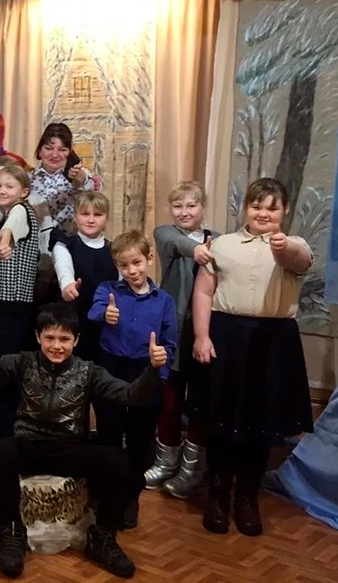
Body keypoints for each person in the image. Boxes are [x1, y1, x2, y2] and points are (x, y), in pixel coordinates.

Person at [0, 303, 166, 579]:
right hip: (30, 446)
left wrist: (152, 369)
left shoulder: (88, 371)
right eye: (49, 338)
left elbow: (132, 395)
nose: (56, 346)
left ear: (76, 340)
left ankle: (102, 537)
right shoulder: (24, 362)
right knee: (2, 449)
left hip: (69, 449)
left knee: (117, 459)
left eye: (64, 339)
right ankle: (13, 531)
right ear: (38, 337)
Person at [189, 177, 313, 537]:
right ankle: (217, 497)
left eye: (272, 208)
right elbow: (204, 291)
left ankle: (246, 499)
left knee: (261, 426)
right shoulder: (221, 245)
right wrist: (201, 336)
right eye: (257, 206)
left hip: (274, 342)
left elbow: (297, 258)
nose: (263, 213)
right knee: (220, 423)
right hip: (226, 338)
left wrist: (283, 245)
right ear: (245, 208)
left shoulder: (295, 245)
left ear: (284, 211)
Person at [88, 231, 177, 529]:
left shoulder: (164, 301)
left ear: (149, 259)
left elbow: (170, 342)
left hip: (145, 371)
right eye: (124, 265)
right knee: (109, 433)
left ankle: (130, 497)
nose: (132, 271)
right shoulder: (108, 290)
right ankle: (104, 491)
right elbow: (93, 311)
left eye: (136, 263)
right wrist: (106, 313)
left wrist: (161, 373)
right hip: (110, 368)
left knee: (141, 438)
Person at [147, 181, 220, 497]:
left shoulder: (218, 240)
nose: (184, 212)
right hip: (173, 329)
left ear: (202, 208)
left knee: (200, 398)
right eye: (178, 206)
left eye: (191, 205)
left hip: (206, 331)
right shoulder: (165, 233)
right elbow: (177, 244)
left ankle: (193, 468)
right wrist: (198, 250)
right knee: (170, 397)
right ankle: (166, 461)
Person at [0, 164, 41, 444]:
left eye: (9, 186)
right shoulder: (2, 211)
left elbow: (8, 231)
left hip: (11, 309)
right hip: (2, 307)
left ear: (24, 192)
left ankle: (3, 444)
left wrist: (3, 240)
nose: (2, 190)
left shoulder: (19, 211)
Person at [52, 191, 117, 361]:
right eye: (85, 214)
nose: (91, 220)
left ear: (106, 220)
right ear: (75, 217)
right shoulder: (64, 245)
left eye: (98, 215)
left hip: (105, 324)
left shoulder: (115, 250)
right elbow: (63, 268)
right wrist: (67, 286)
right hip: (73, 318)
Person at [29, 122, 96, 234]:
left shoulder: (76, 174)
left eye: (62, 150)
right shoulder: (28, 179)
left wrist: (78, 178)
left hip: (70, 241)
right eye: (49, 148)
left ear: (70, 153)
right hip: (37, 242)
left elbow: (84, 183)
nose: (55, 155)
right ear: (39, 151)